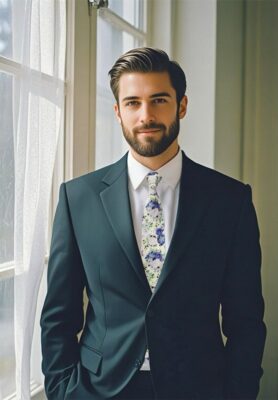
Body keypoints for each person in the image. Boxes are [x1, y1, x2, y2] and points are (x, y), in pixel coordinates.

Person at [40, 47, 266, 400]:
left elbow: (246, 321)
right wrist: (62, 391)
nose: (146, 115)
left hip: (199, 388)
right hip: (98, 389)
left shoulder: (230, 201)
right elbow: (58, 315)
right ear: (117, 112)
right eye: (132, 103)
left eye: (159, 100)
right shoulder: (77, 198)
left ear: (182, 106)